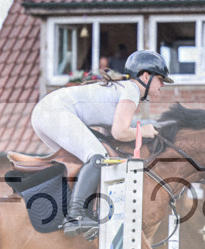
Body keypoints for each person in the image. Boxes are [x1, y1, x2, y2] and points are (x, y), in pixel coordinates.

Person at [31, 49, 169, 237]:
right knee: (97, 156)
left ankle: (82, 211)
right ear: (146, 76)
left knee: (90, 159)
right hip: (54, 112)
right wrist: (144, 131)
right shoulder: (132, 90)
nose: (162, 85)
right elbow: (119, 132)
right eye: (161, 79)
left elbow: (109, 134)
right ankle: (75, 216)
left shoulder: (122, 89)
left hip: (46, 113)